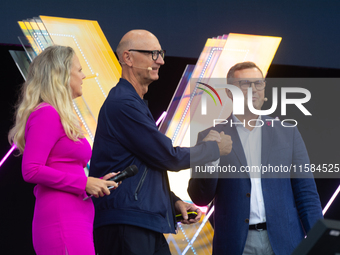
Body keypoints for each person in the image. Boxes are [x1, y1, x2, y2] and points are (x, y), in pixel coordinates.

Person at [89, 29, 231, 255]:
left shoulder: (132, 103)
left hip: (142, 221)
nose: (161, 61)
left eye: (161, 53)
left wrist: (172, 202)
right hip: (127, 222)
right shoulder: (123, 103)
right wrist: (214, 148)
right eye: (153, 54)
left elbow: (146, 166)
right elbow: (169, 157)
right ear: (128, 57)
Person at [188, 61, 323, 255]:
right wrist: (212, 157)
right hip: (235, 244)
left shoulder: (288, 133)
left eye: (258, 83)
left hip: (285, 241)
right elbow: (200, 197)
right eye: (244, 84)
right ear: (228, 92)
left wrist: (320, 239)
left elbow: (306, 194)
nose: (253, 90)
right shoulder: (209, 137)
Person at [8, 45, 119, 255]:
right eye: (79, 70)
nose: (84, 75)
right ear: (62, 74)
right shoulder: (47, 114)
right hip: (62, 218)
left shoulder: (59, 115)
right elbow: (31, 169)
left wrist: (95, 183)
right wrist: (84, 182)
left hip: (77, 215)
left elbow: (64, 167)